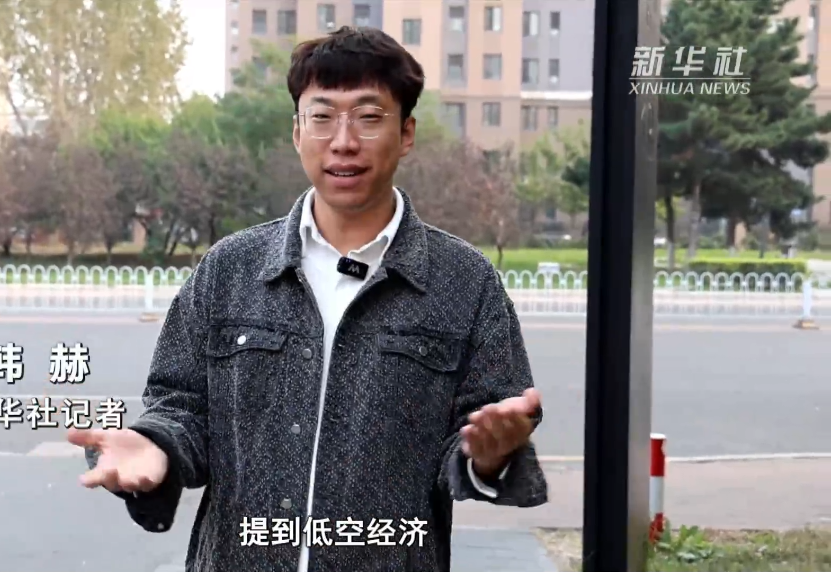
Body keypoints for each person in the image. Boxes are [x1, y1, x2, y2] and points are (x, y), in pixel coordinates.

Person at [67, 26, 547, 572]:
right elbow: (180, 406)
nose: (343, 141)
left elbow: (485, 429)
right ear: (297, 131)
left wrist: (489, 455)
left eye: (368, 117)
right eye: (321, 116)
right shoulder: (230, 268)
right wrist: (156, 445)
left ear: (406, 133)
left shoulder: (464, 281)